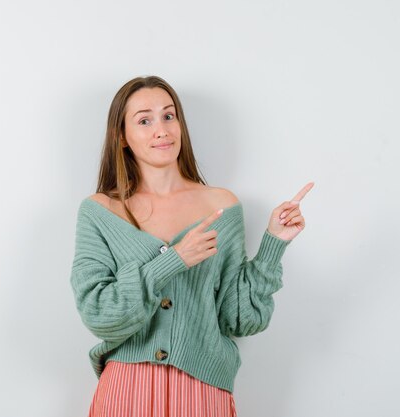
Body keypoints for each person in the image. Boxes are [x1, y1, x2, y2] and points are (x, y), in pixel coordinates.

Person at [69, 75, 314, 417]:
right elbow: (99, 314)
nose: (162, 129)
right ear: (121, 136)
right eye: (145, 120)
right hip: (127, 388)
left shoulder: (221, 206)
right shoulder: (99, 211)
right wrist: (174, 260)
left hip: (201, 389)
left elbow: (239, 319)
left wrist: (274, 244)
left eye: (169, 116)